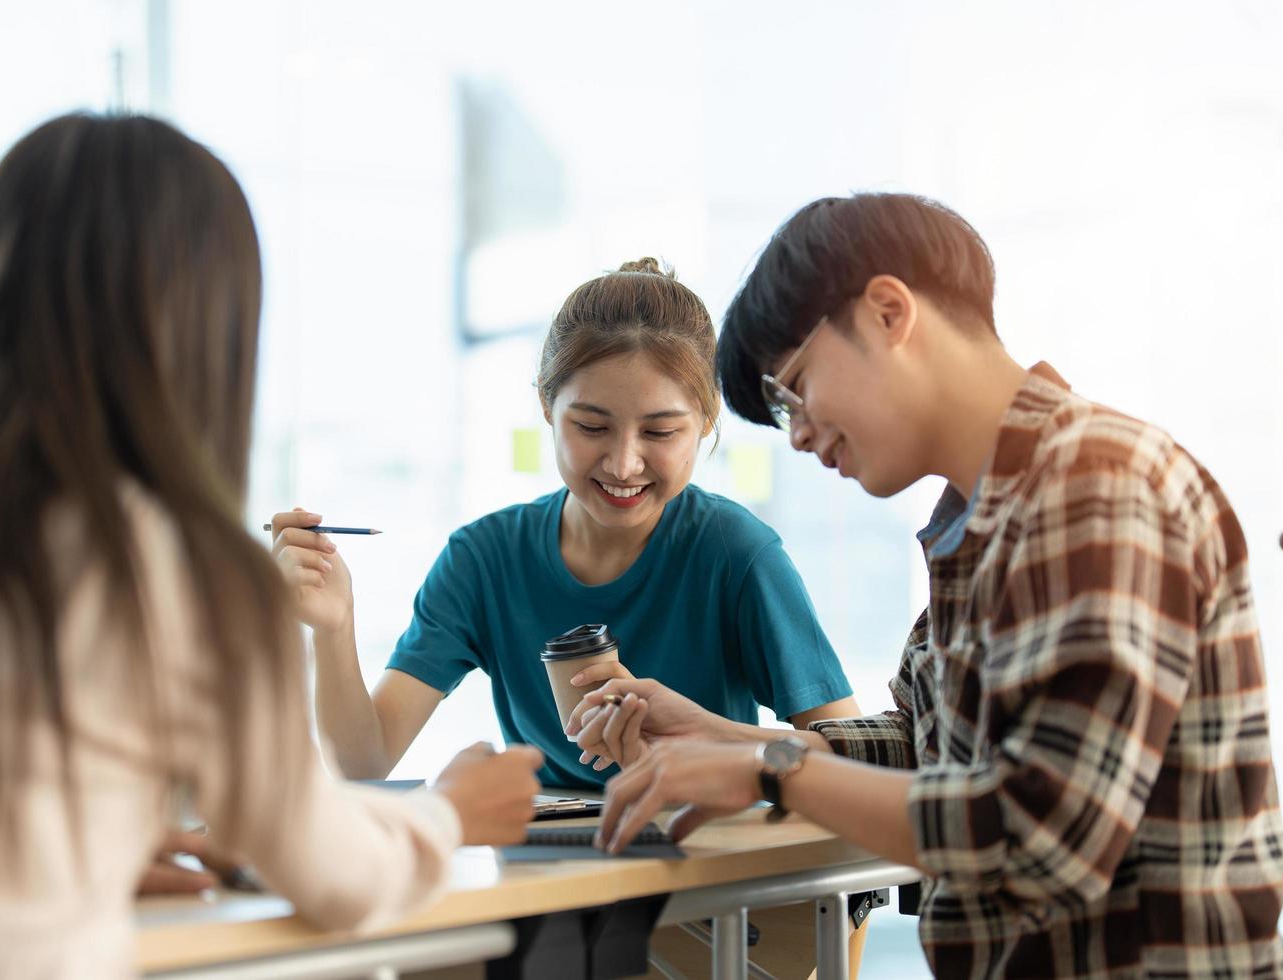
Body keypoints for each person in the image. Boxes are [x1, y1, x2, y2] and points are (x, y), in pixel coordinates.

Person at [0, 113, 541, 979]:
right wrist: (450, 813)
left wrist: (80, 834)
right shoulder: (168, 557)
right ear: (207, 329)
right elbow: (335, 874)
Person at [579, 193, 1283, 978]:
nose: (796, 434)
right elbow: (932, 753)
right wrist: (733, 741)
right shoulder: (985, 513)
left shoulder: (1093, 482)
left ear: (888, 311)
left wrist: (770, 773)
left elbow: (1039, 838)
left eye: (791, 389)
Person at [271, 258, 857, 791]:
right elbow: (363, 764)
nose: (625, 464)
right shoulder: (484, 558)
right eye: (592, 427)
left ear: (707, 422)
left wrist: (709, 742)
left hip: (707, 876)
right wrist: (333, 625)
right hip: (556, 884)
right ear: (546, 409)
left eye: (659, 432)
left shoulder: (737, 553)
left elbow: (852, 757)